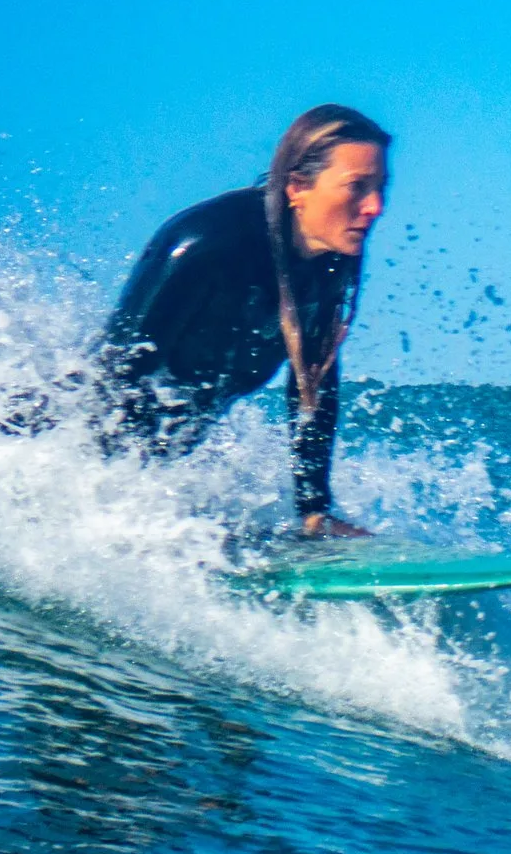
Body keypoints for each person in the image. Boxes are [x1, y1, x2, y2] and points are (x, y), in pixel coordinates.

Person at [98, 104, 391, 538]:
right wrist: (101, 500)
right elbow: (117, 375)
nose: (375, 207)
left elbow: (312, 387)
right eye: (356, 188)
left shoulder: (331, 263)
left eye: (381, 188)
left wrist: (313, 510)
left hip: (152, 460)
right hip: (71, 444)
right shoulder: (203, 247)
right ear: (297, 187)